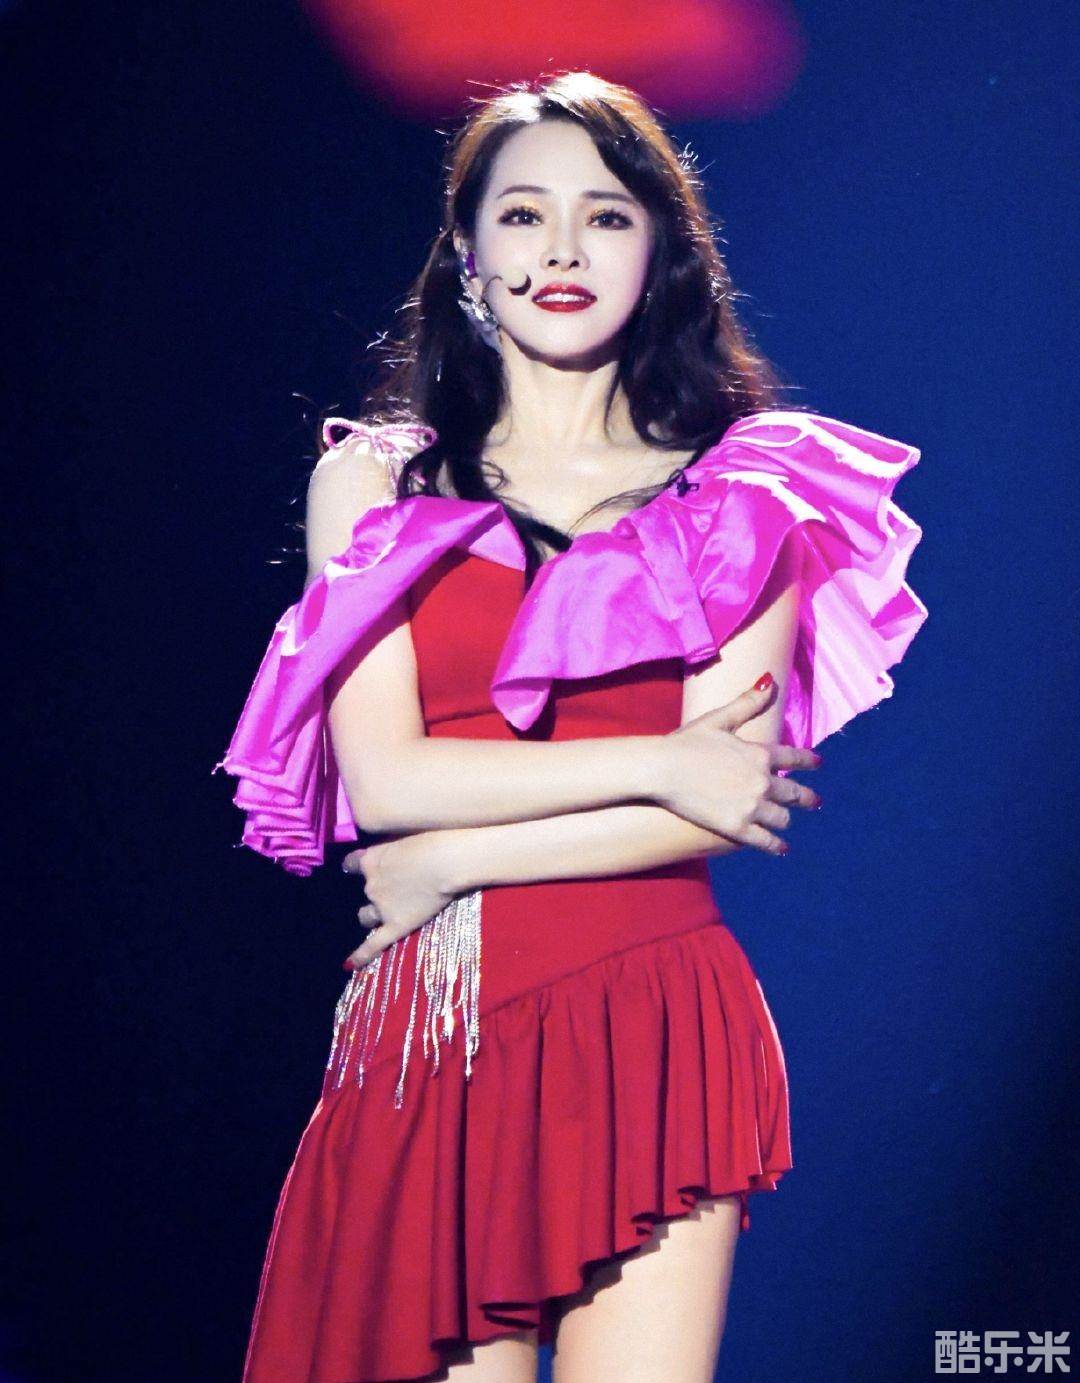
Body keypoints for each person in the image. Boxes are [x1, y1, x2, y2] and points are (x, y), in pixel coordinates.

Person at [214, 70, 927, 1383]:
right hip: (439, 1014)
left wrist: (458, 857)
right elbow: (388, 782)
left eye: (605, 216)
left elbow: (727, 801)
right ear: (468, 254)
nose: (561, 249)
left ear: (659, 254)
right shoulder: (373, 482)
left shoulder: (750, 492)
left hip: (655, 1010)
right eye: (522, 214)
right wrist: (660, 760)